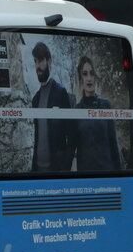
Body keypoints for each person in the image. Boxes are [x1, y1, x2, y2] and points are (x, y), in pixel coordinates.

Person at [30, 41, 74, 171]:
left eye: (41, 60)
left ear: (49, 61)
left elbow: (71, 134)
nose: (38, 66)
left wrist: (66, 168)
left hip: (56, 170)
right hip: (38, 169)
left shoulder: (60, 92)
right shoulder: (35, 99)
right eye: (36, 61)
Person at [74, 55, 123, 171]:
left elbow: (113, 143)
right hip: (86, 176)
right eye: (85, 74)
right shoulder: (76, 110)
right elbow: (73, 146)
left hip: (107, 172)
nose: (89, 78)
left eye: (92, 73)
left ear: (96, 77)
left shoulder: (105, 105)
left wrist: (119, 174)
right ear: (81, 79)